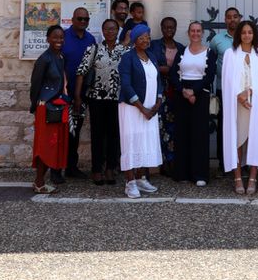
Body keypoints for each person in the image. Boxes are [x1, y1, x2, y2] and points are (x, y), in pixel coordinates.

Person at [222, 20, 258, 195]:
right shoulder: (230, 54)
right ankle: (237, 177)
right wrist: (239, 96)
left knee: (256, 138)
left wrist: (250, 92)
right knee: (237, 139)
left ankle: (253, 177)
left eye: (250, 32)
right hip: (237, 104)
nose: (246, 35)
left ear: (254, 35)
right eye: (243, 32)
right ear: (239, 35)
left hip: (256, 104)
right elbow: (227, 80)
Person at [74, 18, 127, 185]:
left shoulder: (124, 50)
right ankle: (97, 169)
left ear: (118, 31)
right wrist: (77, 96)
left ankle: (110, 168)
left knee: (114, 135)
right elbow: (81, 72)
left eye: (113, 29)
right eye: (107, 29)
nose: (110, 32)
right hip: (96, 99)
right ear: (103, 31)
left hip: (117, 100)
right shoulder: (94, 49)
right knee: (97, 135)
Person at [51, 6, 96, 184]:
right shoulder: (63, 37)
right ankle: (55, 169)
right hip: (61, 93)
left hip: (82, 93)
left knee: (74, 131)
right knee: (60, 132)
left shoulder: (91, 39)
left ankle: (71, 166)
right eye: (79, 19)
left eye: (86, 19)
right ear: (72, 19)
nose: (83, 22)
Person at [118, 23, 163, 198]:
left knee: (145, 142)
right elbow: (127, 85)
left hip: (150, 109)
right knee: (131, 143)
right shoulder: (127, 58)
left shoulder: (151, 56)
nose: (146, 40)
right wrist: (141, 107)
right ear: (135, 40)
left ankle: (141, 178)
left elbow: (158, 80)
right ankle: (129, 182)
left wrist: (158, 101)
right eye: (142, 37)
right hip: (132, 109)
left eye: (148, 37)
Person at [170, 21, 217, 186]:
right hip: (182, 94)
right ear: (188, 33)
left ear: (202, 33)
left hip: (200, 95)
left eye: (198, 31)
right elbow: (173, 74)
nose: (195, 33)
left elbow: (210, 76)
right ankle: (182, 173)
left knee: (199, 135)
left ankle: (200, 175)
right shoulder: (182, 51)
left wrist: (194, 91)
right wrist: (183, 90)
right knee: (182, 133)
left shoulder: (209, 52)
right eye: (192, 31)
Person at [30, 25, 69, 194]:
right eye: (55, 37)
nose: (58, 40)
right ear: (47, 39)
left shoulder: (59, 57)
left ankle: (40, 182)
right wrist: (35, 107)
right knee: (45, 146)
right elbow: (35, 85)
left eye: (61, 37)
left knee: (52, 145)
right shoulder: (44, 59)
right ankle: (39, 182)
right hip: (45, 108)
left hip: (56, 107)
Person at [149, 16, 185, 176]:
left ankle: (171, 161)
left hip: (175, 92)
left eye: (172, 27)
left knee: (173, 127)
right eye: (166, 27)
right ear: (161, 28)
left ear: (176, 28)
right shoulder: (154, 45)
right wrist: (161, 68)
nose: (169, 30)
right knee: (159, 126)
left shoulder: (181, 47)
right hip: (159, 91)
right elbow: (149, 64)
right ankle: (160, 161)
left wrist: (169, 70)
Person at [210, 6, 242, 172]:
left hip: (244, 91)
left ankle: (243, 163)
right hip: (224, 90)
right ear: (225, 19)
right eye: (229, 17)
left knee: (243, 125)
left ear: (239, 18)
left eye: (235, 16)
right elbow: (211, 62)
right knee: (225, 126)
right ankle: (225, 164)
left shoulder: (246, 37)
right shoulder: (217, 40)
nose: (232, 20)